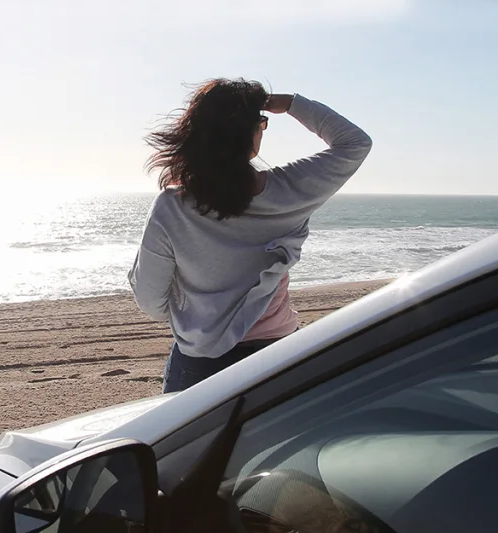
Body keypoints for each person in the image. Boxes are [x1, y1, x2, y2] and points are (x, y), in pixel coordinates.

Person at [128, 78, 372, 393]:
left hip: (200, 361)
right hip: (277, 353)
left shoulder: (172, 207)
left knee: (188, 443)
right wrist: (291, 103)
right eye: (261, 123)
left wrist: (196, 322)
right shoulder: (290, 191)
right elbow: (355, 142)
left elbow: (149, 298)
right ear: (251, 133)